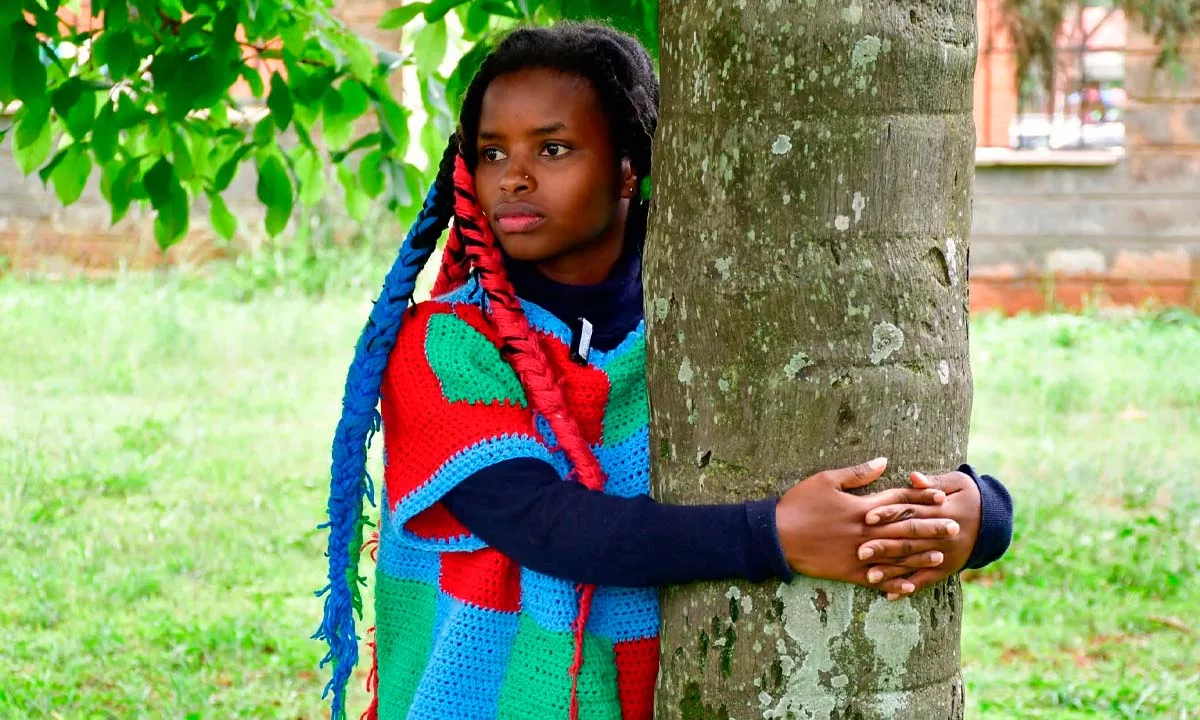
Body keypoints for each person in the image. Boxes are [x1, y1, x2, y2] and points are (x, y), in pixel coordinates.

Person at [314, 21, 1013, 720]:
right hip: (481, 698)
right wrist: (770, 536)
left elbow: (856, 423)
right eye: (493, 153)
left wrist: (979, 514)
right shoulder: (447, 346)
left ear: (628, 165)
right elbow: (549, 526)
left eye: (552, 148)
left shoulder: (708, 320)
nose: (515, 177)